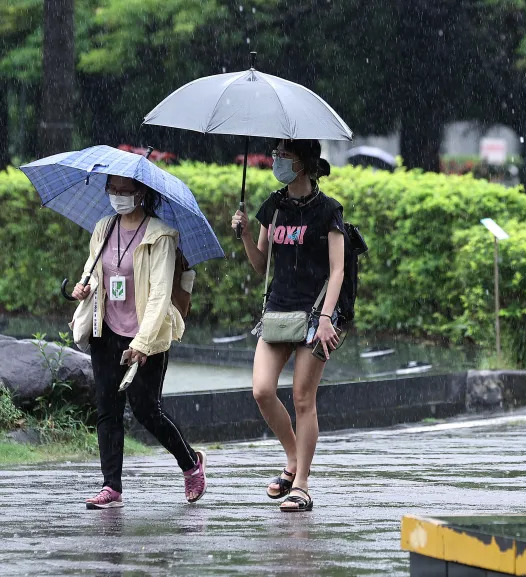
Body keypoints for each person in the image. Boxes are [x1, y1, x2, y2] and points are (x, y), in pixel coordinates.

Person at [72, 175, 207, 509]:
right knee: (107, 409)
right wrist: (82, 287)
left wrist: (143, 342)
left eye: (124, 191)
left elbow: (161, 291)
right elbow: (93, 269)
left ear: (141, 193)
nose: (117, 197)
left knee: (147, 410)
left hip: (147, 334)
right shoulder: (103, 228)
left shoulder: (161, 235)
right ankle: (111, 486)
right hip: (106, 330)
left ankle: (190, 464)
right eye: (112, 190)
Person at [231, 139, 345, 513]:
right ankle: (293, 458)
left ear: (303, 162)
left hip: (315, 316)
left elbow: (338, 270)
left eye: (283, 155)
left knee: (302, 398)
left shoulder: (329, 210)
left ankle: (302, 483)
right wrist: (246, 233)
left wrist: (327, 317)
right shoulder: (274, 206)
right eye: (276, 154)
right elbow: (260, 265)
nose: (276, 160)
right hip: (278, 312)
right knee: (262, 391)